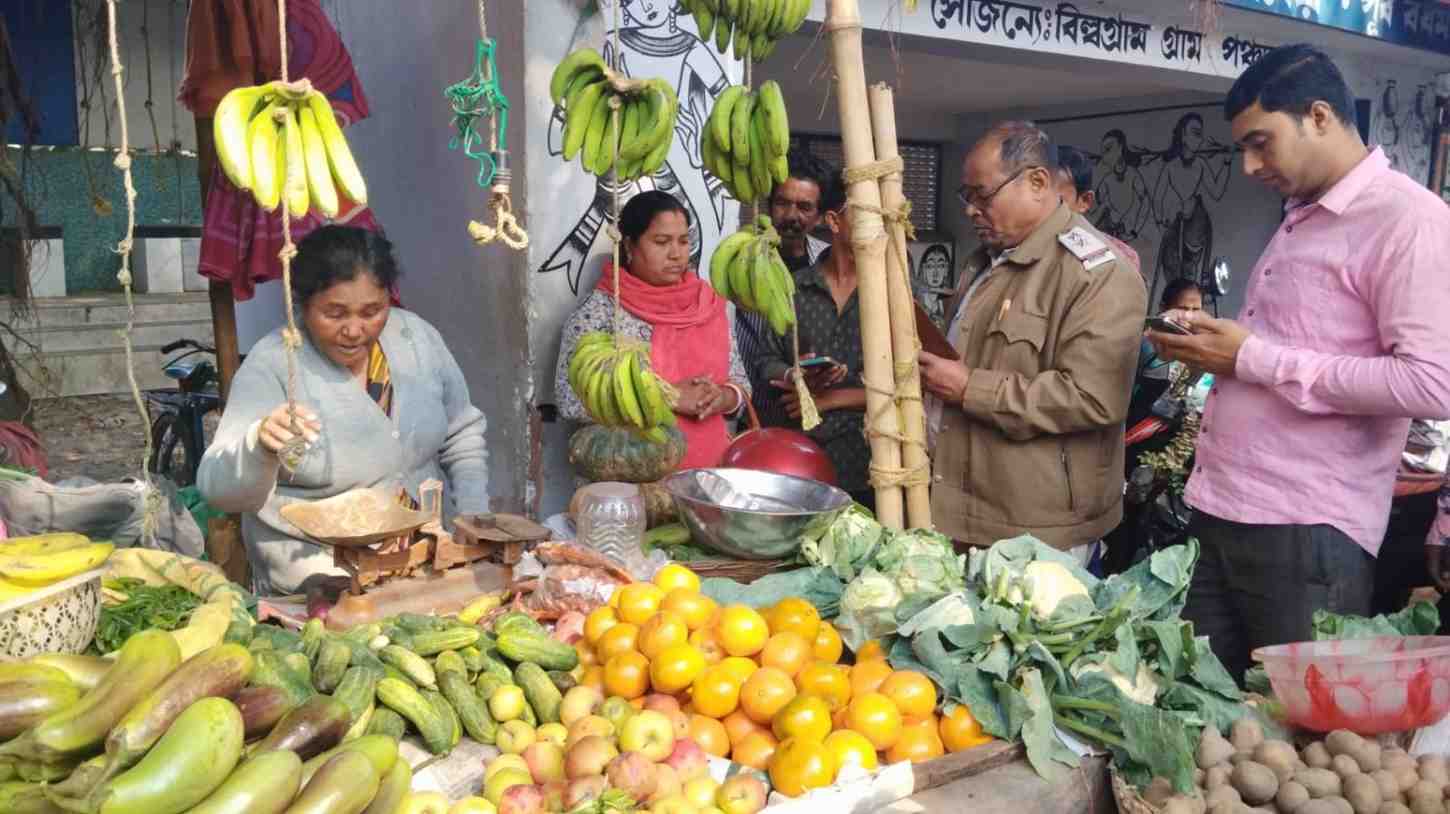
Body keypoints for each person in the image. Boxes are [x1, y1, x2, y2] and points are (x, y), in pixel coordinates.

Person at [1147, 44, 1450, 685]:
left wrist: (1252, 357)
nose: (1251, 165)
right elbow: (1291, 346)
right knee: (1200, 712)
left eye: (1262, 143)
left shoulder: (1409, 220)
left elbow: (1432, 381)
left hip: (1306, 529)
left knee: (1303, 740)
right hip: (1221, 506)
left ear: (1318, 116)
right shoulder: (1301, 217)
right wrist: (1216, 350)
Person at [197, 226, 489, 596]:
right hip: (318, 582)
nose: (354, 330)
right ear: (301, 305)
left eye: (372, 311)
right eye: (334, 313)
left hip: (423, 569)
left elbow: (461, 432)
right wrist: (258, 446)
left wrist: (473, 517)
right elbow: (217, 489)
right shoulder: (272, 365)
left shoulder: (416, 339)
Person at [920, 121, 1147, 563]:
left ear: (1038, 182)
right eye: (965, 198)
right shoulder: (984, 262)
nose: (970, 210)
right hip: (964, 508)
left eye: (981, 196)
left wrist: (970, 388)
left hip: (1039, 532)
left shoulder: (1096, 273)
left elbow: (1092, 397)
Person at [554, 191, 750, 470]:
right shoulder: (601, 310)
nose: (676, 253)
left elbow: (741, 385)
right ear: (630, 245)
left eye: (683, 241)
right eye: (661, 242)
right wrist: (668, 397)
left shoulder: (707, 303)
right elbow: (569, 399)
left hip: (708, 475)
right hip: (630, 477)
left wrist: (721, 398)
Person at [751, 164, 877, 507]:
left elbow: (910, 382)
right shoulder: (794, 287)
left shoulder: (890, 294)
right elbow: (765, 359)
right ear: (835, 222)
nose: (877, 228)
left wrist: (831, 399)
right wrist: (795, 375)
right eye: (866, 217)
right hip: (796, 460)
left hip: (870, 464)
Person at [736, 149, 834, 427]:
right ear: (769, 205)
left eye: (804, 207)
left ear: (819, 217)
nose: (791, 215)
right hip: (748, 411)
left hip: (816, 414)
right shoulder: (738, 258)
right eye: (782, 203)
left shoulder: (829, 262)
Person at [1054, 145, 1141, 278]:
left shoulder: (1120, 258)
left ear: (1084, 201)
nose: (1041, 211)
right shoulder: (1016, 249)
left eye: (1056, 202)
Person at [1129, 279, 1206, 428]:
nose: (1189, 316)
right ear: (1164, 308)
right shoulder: (1146, 340)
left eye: (1196, 310)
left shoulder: (1198, 342)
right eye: (1182, 308)